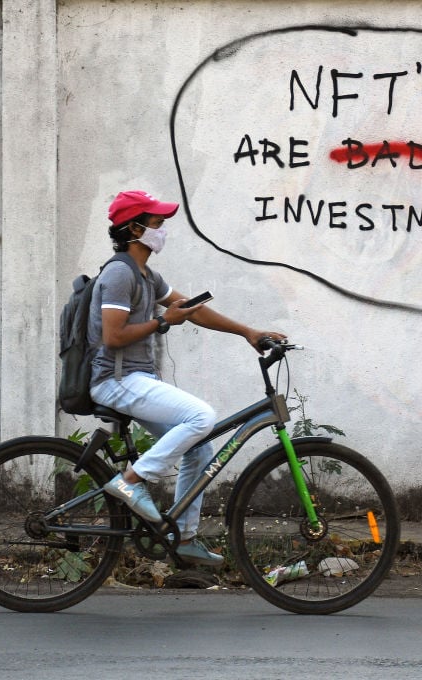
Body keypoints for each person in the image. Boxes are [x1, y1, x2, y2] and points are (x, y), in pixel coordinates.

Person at [89, 189, 285, 566]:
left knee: (199, 446)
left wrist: (248, 332)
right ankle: (131, 481)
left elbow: (192, 311)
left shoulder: (145, 274)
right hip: (114, 380)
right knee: (201, 417)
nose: (163, 230)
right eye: (157, 223)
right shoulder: (118, 274)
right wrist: (163, 321)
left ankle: (185, 539)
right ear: (134, 227)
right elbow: (111, 337)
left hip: (135, 378)